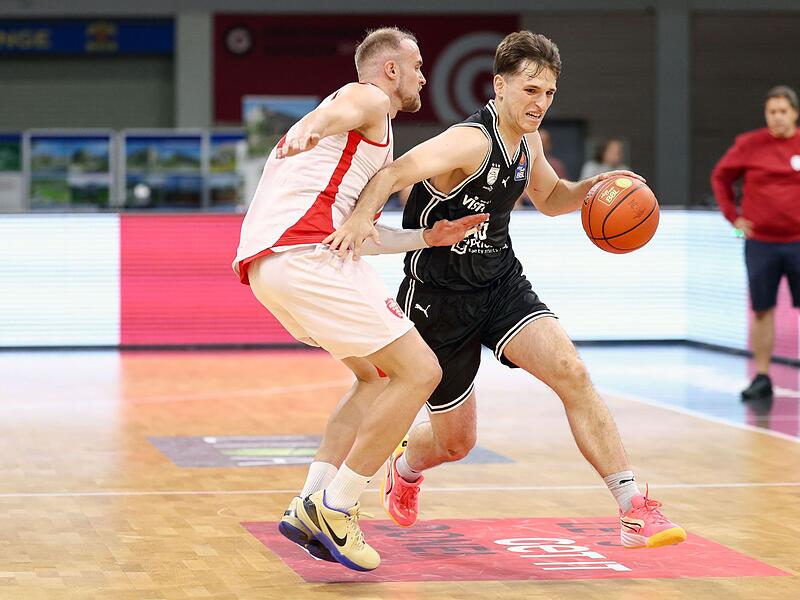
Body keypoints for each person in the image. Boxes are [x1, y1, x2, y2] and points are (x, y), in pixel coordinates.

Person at [326, 30, 686, 550]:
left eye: (549, 94)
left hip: (500, 283)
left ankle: (634, 507)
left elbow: (551, 197)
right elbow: (393, 173)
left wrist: (600, 188)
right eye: (530, 90)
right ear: (500, 85)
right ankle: (405, 467)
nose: (540, 103)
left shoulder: (528, 143)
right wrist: (361, 218)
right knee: (457, 443)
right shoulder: (468, 140)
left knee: (573, 373)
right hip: (439, 299)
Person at [232, 27, 487, 572]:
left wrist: (426, 237)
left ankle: (311, 500)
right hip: (304, 259)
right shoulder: (369, 101)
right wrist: (312, 125)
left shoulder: (354, 149)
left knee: (374, 379)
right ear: (390, 69)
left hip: (273, 268)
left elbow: (363, 236)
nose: (422, 75)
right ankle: (338, 506)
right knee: (421, 371)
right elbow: (348, 101)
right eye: (417, 66)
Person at [711, 85, 800, 401]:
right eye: (771, 112)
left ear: (794, 113)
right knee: (762, 310)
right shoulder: (750, 145)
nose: (777, 117)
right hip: (760, 242)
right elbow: (720, 177)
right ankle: (762, 377)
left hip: (798, 241)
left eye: (782, 111)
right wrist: (733, 218)